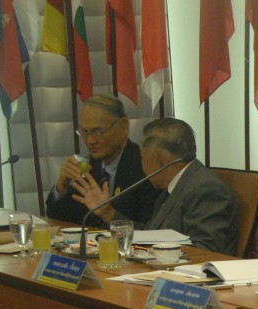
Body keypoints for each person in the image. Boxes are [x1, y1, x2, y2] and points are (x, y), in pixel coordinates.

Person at [45, 94, 159, 227]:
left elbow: (153, 231)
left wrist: (109, 214)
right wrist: (61, 187)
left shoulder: (146, 168)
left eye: (97, 132)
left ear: (124, 126)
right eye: (84, 132)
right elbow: (58, 218)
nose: (90, 141)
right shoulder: (87, 166)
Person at [136, 118, 238, 254]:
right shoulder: (175, 186)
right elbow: (149, 234)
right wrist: (110, 214)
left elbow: (206, 250)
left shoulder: (205, 188)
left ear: (156, 159)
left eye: (142, 158)